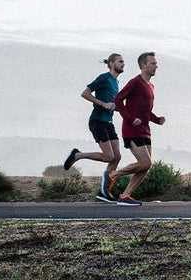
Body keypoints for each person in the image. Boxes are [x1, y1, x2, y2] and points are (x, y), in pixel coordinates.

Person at [63, 53, 125, 203]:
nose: (123, 64)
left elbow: (112, 104)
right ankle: (77, 155)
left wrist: (122, 110)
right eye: (120, 61)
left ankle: (105, 191)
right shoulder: (104, 78)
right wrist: (103, 104)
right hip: (97, 121)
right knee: (109, 156)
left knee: (117, 157)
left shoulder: (116, 82)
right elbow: (85, 93)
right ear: (111, 64)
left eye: (124, 62)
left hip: (108, 122)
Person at [108, 52, 165, 207]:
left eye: (156, 63)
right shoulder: (135, 82)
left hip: (145, 130)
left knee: (146, 166)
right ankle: (113, 175)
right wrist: (130, 118)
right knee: (145, 163)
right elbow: (118, 99)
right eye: (152, 63)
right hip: (132, 129)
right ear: (143, 65)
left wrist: (156, 119)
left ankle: (125, 195)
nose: (156, 66)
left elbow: (144, 110)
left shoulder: (150, 86)